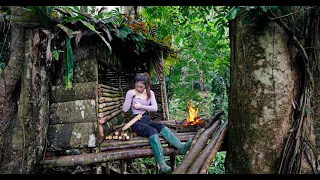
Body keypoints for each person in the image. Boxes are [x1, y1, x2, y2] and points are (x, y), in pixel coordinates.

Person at [122, 72, 192, 173]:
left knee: (159, 125)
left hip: (146, 118)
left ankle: (181, 147)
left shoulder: (150, 93)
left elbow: (154, 108)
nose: (138, 88)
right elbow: (125, 109)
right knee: (152, 130)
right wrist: (129, 96)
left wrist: (140, 106)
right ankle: (162, 165)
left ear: (146, 85)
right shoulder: (131, 93)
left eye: (141, 87)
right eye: (136, 86)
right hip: (136, 121)